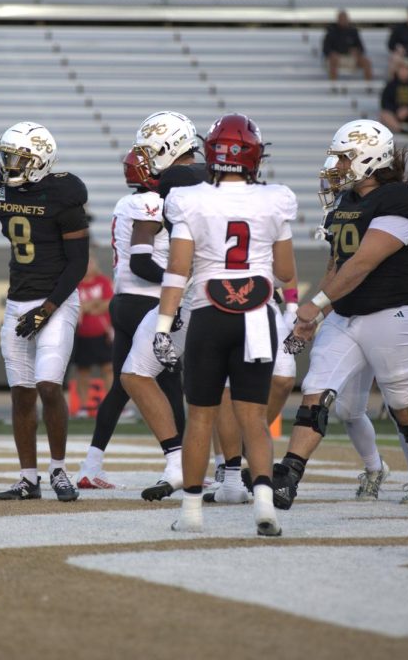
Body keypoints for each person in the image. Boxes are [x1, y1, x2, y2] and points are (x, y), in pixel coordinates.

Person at [278, 120, 408, 513]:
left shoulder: (400, 198)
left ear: (369, 158)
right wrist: (315, 315)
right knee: (316, 393)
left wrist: (315, 302)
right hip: (347, 314)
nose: (336, 166)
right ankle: (288, 478)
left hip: (391, 313)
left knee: (403, 404)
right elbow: (337, 266)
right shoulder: (346, 202)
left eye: (344, 157)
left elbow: (363, 263)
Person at [155, 114, 297, 536]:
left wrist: (164, 325)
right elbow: (287, 272)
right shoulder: (275, 199)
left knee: (200, 416)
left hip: (209, 312)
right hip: (257, 315)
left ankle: (193, 512)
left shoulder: (189, 198)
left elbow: (177, 271)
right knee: (253, 417)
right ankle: (264, 504)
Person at [0, 121, 89, 502]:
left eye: (17, 158)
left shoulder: (64, 193)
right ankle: (28, 478)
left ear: (39, 161)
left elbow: (78, 264)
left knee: (48, 386)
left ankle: (58, 470)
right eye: (6, 155)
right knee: (21, 394)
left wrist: (48, 309)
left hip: (56, 299)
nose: (7, 164)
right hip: (18, 299)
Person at [75, 112, 200, 492]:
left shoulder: (128, 202)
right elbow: (142, 260)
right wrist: (178, 281)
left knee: (123, 385)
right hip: (147, 302)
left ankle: (91, 462)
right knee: (168, 383)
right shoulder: (150, 202)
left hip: (124, 301)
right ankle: (178, 463)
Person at [71, 255, 113, 415]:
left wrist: (88, 306)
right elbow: (76, 308)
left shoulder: (103, 281)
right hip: (82, 334)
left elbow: (108, 303)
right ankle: (83, 406)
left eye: (91, 262)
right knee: (83, 370)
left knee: (109, 368)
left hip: (103, 333)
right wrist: (95, 304)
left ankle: (112, 407)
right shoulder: (75, 284)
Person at [322, 10, 373, 81]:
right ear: (338, 20)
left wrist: (357, 51)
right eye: (341, 19)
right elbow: (325, 49)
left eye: (345, 18)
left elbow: (361, 48)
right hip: (337, 59)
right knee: (332, 60)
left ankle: (369, 86)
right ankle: (333, 86)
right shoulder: (331, 32)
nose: (343, 20)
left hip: (350, 58)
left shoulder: (353, 31)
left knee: (366, 62)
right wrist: (332, 53)